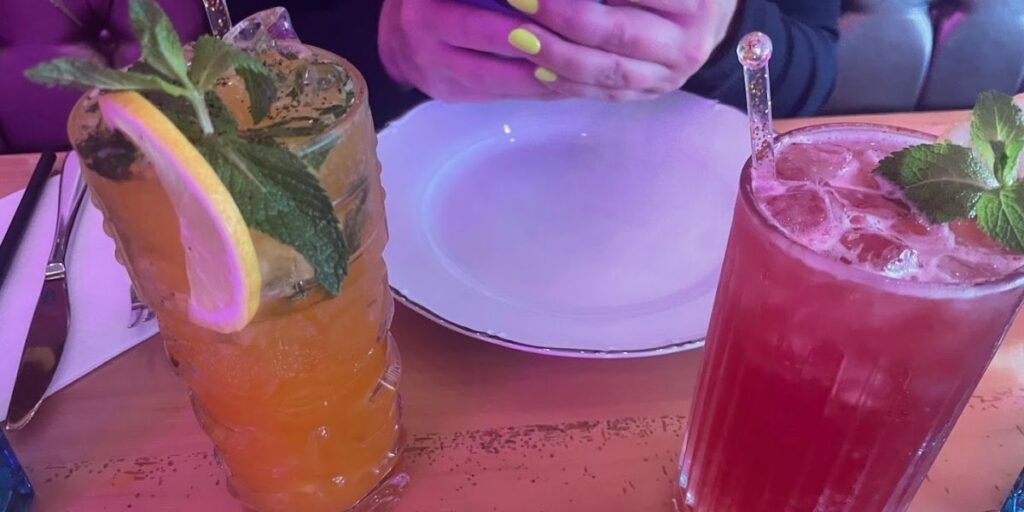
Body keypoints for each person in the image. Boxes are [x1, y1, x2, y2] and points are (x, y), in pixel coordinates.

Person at [240, 0, 841, 126]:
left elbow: (811, 74)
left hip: (692, 269)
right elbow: (242, 42)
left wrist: (725, 31)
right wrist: (383, 45)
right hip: (386, 248)